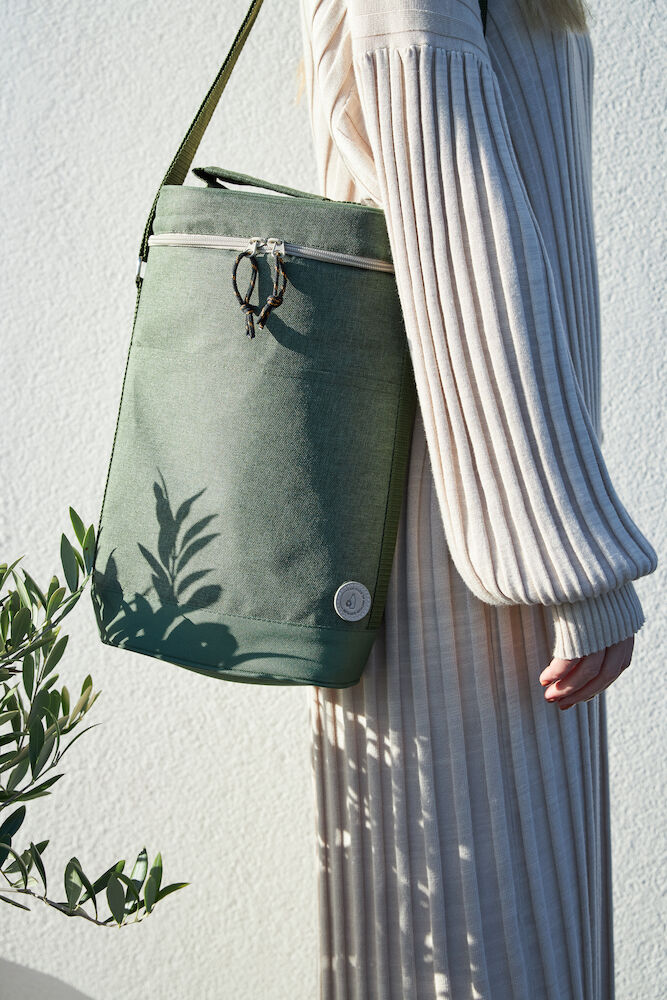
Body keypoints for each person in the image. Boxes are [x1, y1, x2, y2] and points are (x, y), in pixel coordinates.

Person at [297, 0, 659, 997]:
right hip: (452, 538)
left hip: (473, 519)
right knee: (483, 942)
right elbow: (453, 233)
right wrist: (569, 557)